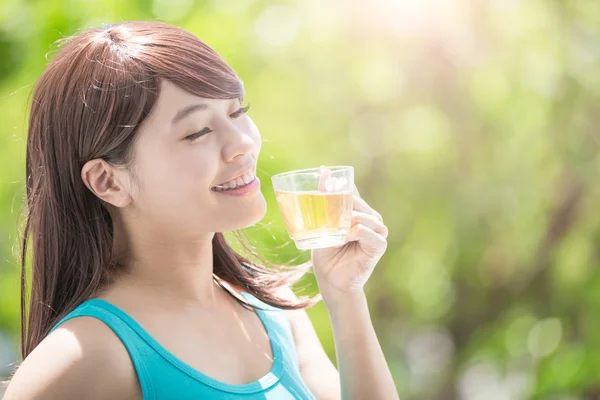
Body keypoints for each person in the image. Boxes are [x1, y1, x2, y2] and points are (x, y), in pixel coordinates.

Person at [2, 20, 398, 399]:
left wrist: (345, 297)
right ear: (109, 181)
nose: (241, 142)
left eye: (237, 111)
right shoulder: (85, 357)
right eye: (198, 132)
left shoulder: (273, 312)